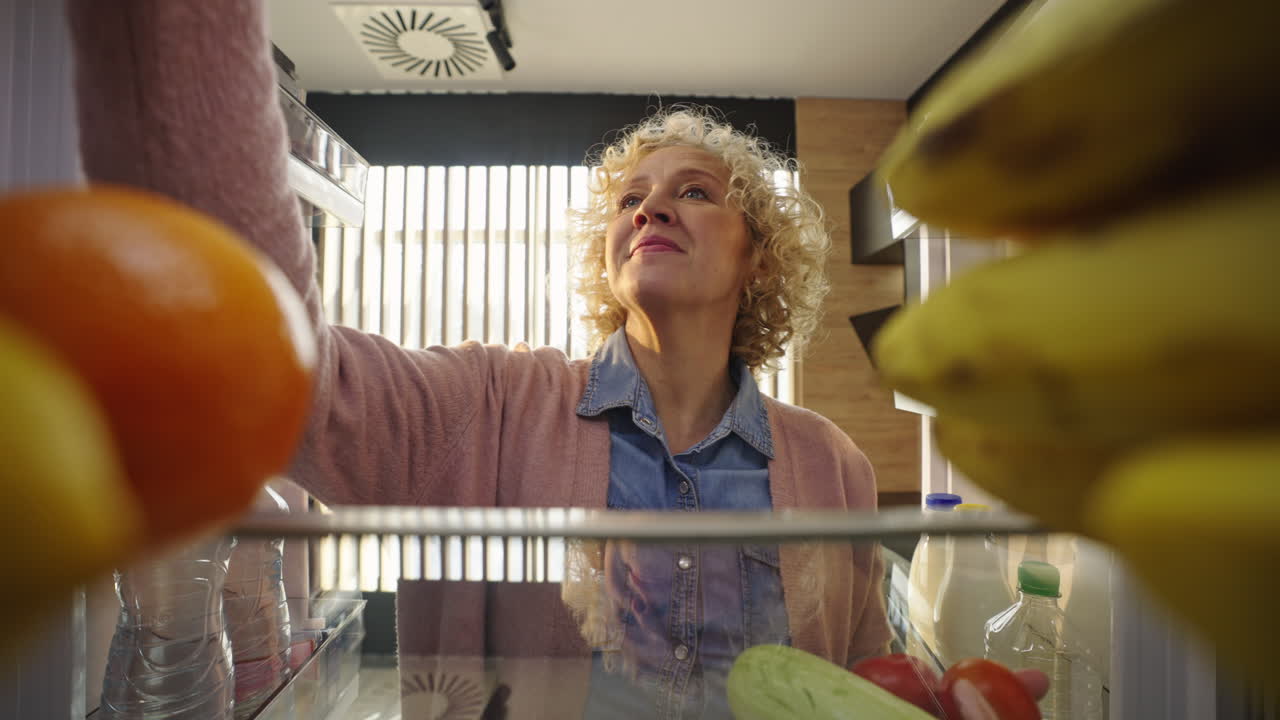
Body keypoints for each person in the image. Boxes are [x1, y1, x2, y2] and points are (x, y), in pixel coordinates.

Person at [65, 2, 1045, 718]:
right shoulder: (487, 405)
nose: (647, 208)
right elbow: (283, 372)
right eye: (629, 198)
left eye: (693, 192)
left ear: (758, 256)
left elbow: (864, 680)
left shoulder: (828, 460)